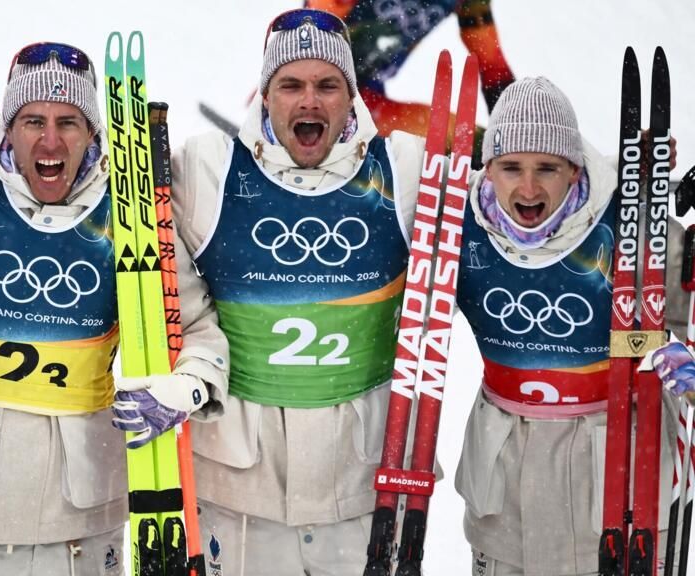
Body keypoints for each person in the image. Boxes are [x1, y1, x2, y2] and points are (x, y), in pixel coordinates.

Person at [0, 41, 229, 576]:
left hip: (79, 493)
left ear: (93, 132)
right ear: (8, 129)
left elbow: (198, 325)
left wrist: (185, 388)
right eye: (32, 121)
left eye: (69, 121)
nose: (51, 139)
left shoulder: (130, 213)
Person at [169, 9, 427, 574]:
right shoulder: (207, 169)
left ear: (351, 97)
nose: (309, 101)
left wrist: (631, 184)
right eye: (290, 85)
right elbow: (80, 187)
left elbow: (517, 197)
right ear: (265, 96)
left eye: (327, 85)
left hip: (362, 485)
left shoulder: (402, 169)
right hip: (239, 490)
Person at [452, 76, 687, 575]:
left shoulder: (632, 228)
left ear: (576, 168)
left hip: (617, 484)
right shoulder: (459, 227)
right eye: (511, 167)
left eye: (548, 169)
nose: (529, 187)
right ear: (488, 168)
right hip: (504, 484)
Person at [305, 0, 515, 139]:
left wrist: (516, 130)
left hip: (370, 102)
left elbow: (493, 68)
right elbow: (307, 38)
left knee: (471, 145)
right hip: (317, 95)